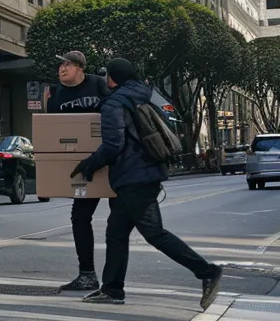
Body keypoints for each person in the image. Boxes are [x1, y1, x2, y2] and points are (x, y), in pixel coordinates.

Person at [73, 58, 223, 308]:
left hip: (134, 177)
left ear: (113, 78)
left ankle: (207, 271)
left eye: (107, 76)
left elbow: (113, 145)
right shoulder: (146, 94)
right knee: (116, 233)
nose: (105, 79)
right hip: (146, 172)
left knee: (154, 234)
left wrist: (89, 164)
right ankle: (112, 290)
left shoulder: (114, 103)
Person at [47, 51, 109, 293]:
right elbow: (51, 132)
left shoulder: (99, 85)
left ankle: (114, 281)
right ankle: (87, 274)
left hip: (111, 159)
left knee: (120, 221)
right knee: (80, 218)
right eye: (60, 65)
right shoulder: (55, 95)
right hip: (82, 166)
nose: (62, 69)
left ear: (81, 68)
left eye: (68, 65)